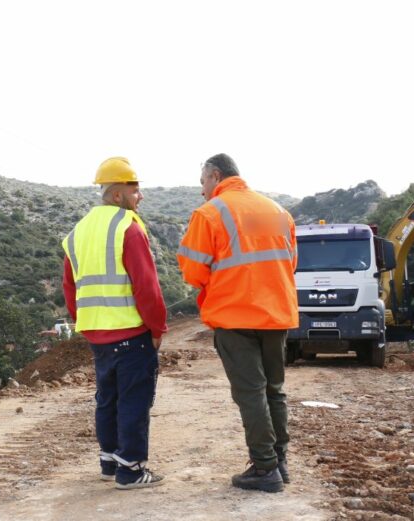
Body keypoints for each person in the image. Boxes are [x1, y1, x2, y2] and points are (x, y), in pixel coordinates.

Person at [177, 153, 298, 493]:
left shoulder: (210, 213)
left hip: (236, 317)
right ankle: (280, 461)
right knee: (274, 389)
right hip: (276, 315)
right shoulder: (278, 212)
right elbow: (291, 263)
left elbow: (192, 270)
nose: (202, 191)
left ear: (215, 176)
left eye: (203, 182)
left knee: (251, 393)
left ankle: (264, 469)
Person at [62, 156, 168, 490]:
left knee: (107, 399)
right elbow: (146, 285)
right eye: (135, 189)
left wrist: (86, 322)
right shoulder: (128, 226)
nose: (140, 196)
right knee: (134, 400)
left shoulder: (77, 231)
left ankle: (109, 461)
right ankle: (132, 470)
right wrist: (157, 327)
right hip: (131, 331)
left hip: (98, 334)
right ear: (117, 194)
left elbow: (70, 286)